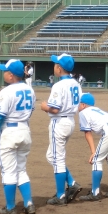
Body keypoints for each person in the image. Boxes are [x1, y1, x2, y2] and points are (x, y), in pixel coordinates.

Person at [0, 59, 36, 214]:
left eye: (5, 71)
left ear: (10, 75)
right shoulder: (30, 90)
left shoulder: (6, 91)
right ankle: (29, 204)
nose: (3, 73)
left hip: (9, 132)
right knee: (21, 169)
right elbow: (31, 111)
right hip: (25, 130)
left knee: (8, 171)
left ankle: (10, 208)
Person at [40, 53, 83, 205]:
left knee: (57, 159)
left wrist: (45, 107)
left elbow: (55, 109)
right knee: (51, 156)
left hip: (59, 122)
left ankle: (60, 196)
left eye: (55, 64)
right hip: (70, 121)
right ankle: (71, 183)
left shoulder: (58, 85)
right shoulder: (76, 84)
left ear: (59, 68)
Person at [76, 93, 108, 202]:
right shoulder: (97, 110)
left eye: (78, 104)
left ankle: (95, 193)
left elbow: (87, 133)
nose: (77, 106)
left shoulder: (83, 112)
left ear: (83, 105)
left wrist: (93, 152)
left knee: (96, 160)